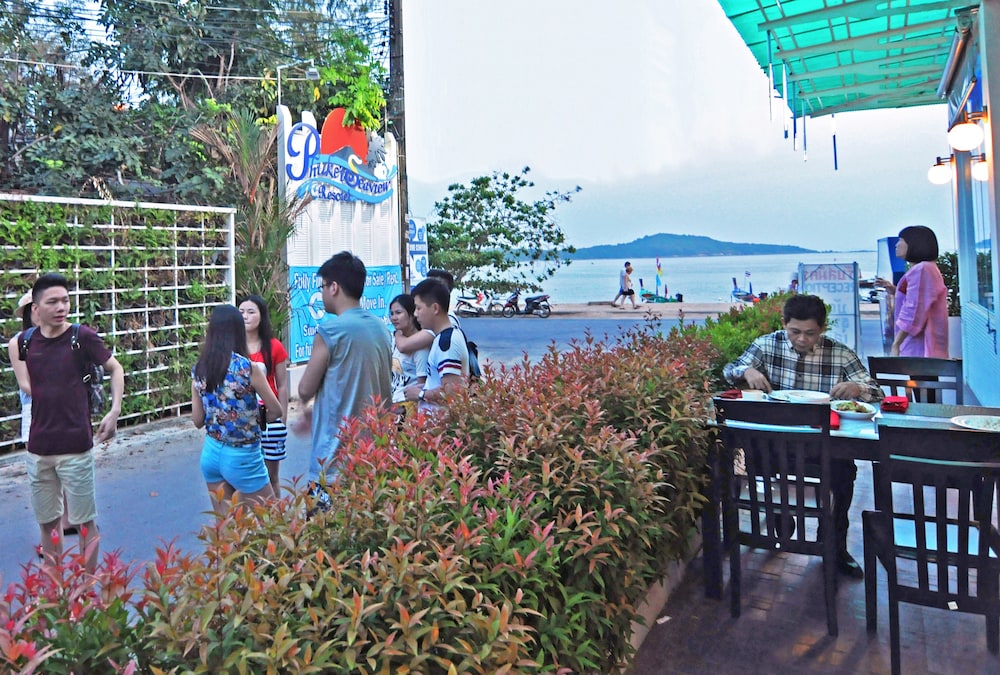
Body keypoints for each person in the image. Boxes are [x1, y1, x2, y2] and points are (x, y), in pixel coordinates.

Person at [722, 293, 883, 579]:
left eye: (810, 333)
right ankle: (780, 514)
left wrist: (857, 389)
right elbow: (729, 370)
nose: (801, 339)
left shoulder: (839, 353)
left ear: (822, 328)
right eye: (794, 331)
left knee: (844, 473)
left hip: (821, 446)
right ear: (784, 323)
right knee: (754, 456)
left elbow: (876, 391)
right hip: (774, 444)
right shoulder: (766, 345)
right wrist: (747, 371)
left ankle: (834, 545)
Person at [11, 273, 125, 572]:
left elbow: (115, 369)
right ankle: (57, 590)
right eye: (53, 302)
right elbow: (27, 386)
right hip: (39, 449)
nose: (61, 307)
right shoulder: (23, 343)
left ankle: (87, 587)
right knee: (48, 525)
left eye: (65, 300)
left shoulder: (81, 337)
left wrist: (114, 411)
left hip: (76, 446)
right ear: (36, 308)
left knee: (85, 523)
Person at [295, 251, 393, 501]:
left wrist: (306, 406)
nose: (322, 293)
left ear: (334, 287)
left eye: (323, 287)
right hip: (373, 458)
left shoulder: (331, 331)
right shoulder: (381, 328)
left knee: (324, 524)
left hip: (333, 462)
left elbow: (305, 389)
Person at [191, 305, 281, 514]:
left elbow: (197, 420)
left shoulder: (199, 369)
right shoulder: (248, 368)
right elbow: (276, 410)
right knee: (273, 520)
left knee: (226, 526)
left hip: (211, 453)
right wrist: (255, 419)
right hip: (243, 455)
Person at [239, 295, 289, 496]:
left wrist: (282, 419)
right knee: (245, 478)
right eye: (241, 312)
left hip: (270, 419)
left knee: (271, 477)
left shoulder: (274, 346)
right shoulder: (234, 347)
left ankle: (276, 514)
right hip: (242, 421)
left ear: (261, 316)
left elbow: (282, 385)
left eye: (251, 312)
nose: (245, 316)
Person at [876, 226, 948, 357]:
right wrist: (894, 290)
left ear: (914, 244)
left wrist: (896, 344)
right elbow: (918, 298)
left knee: (916, 372)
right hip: (920, 346)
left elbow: (914, 309)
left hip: (919, 348)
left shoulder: (922, 269)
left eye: (901, 240)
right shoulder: (925, 268)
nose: (897, 245)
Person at [404, 278, 470, 410]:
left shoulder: (447, 343)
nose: (415, 314)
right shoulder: (444, 337)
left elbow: (452, 390)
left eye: (418, 308)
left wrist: (421, 394)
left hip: (441, 420)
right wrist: (425, 387)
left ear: (435, 308)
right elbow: (441, 382)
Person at [388, 294, 430, 420]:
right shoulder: (395, 340)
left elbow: (421, 386)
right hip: (393, 404)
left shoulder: (421, 349)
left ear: (412, 315)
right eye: (392, 313)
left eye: (398, 313)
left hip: (407, 411)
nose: (394, 317)